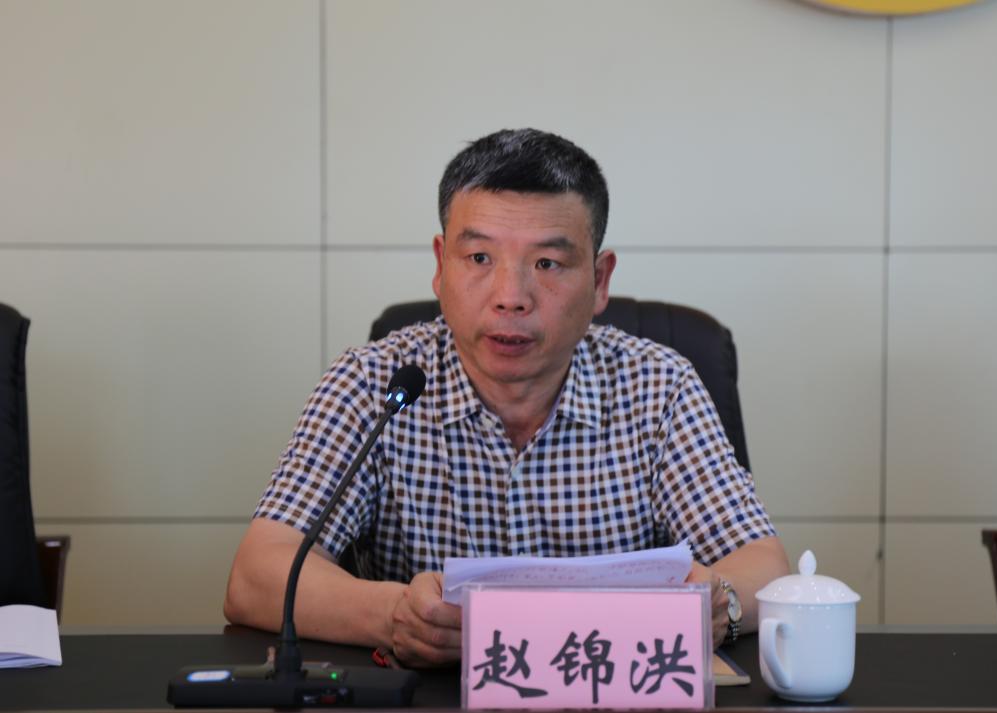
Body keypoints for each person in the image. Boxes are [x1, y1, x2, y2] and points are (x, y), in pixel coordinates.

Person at [224, 128, 789, 667]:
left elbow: (764, 567)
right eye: (479, 258)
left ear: (600, 280)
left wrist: (722, 603)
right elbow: (257, 577)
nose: (510, 296)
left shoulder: (658, 387)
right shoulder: (373, 385)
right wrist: (396, 616)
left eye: (547, 263)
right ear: (440, 267)